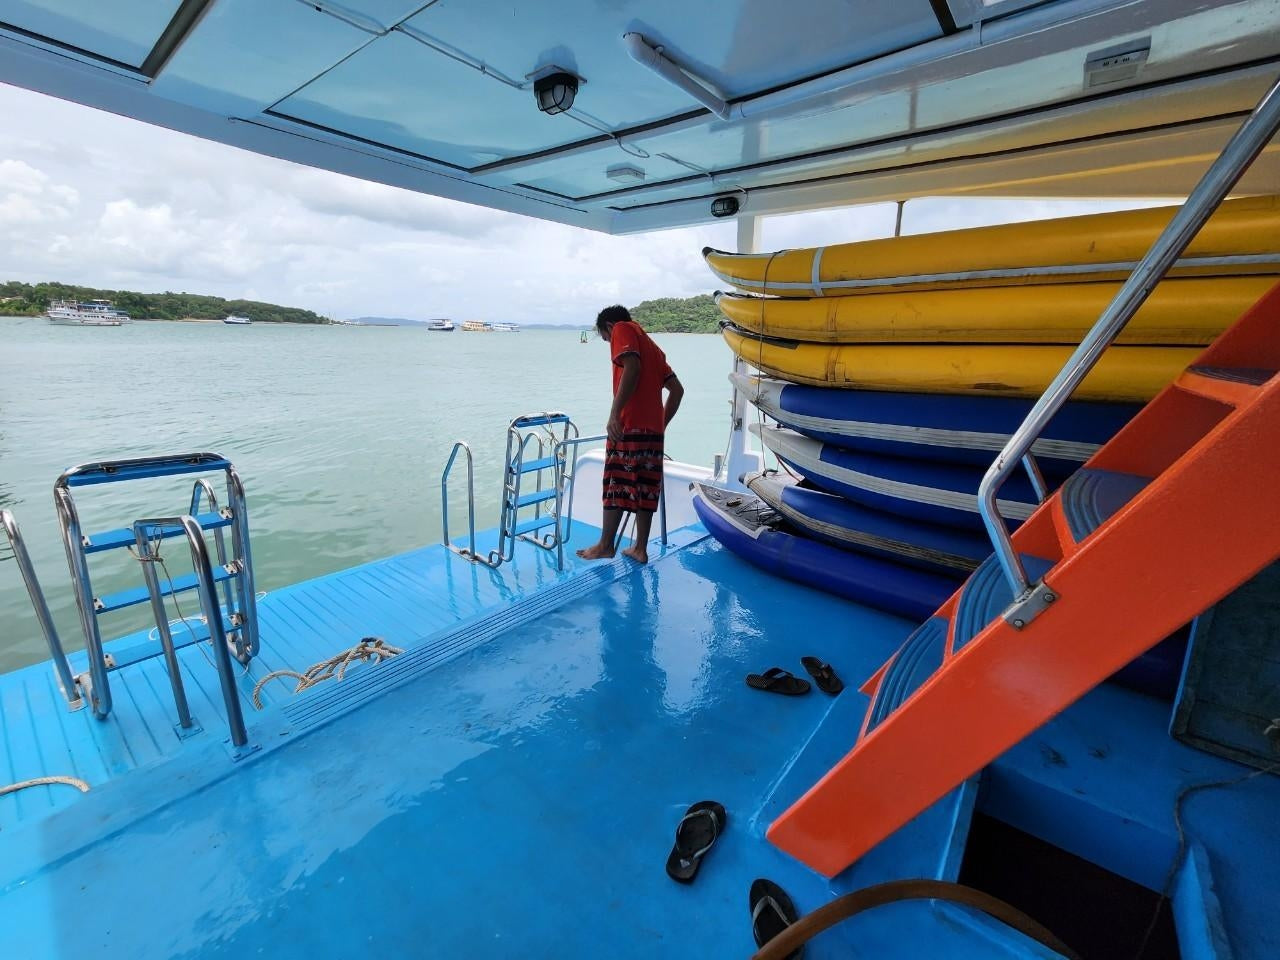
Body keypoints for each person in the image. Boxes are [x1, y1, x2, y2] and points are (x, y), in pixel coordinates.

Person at [576, 305, 683, 564]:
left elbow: (631, 367)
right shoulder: (652, 347)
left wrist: (615, 414)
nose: (609, 343)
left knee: (615, 484)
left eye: (606, 338)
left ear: (609, 327)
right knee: (646, 489)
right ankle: (640, 549)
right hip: (652, 434)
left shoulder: (622, 329)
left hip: (629, 427)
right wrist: (660, 424)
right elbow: (677, 390)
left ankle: (606, 545)